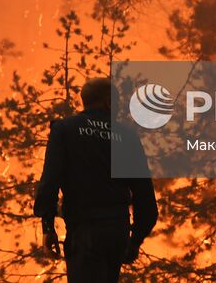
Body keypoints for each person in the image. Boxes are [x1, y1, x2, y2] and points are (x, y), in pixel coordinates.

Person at [33, 77, 158, 282]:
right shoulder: (127, 137)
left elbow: (49, 182)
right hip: (117, 232)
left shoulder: (64, 130)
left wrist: (48, 226)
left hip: (84, 232)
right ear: (108, 102)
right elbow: (145, 197)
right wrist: (135, 240)